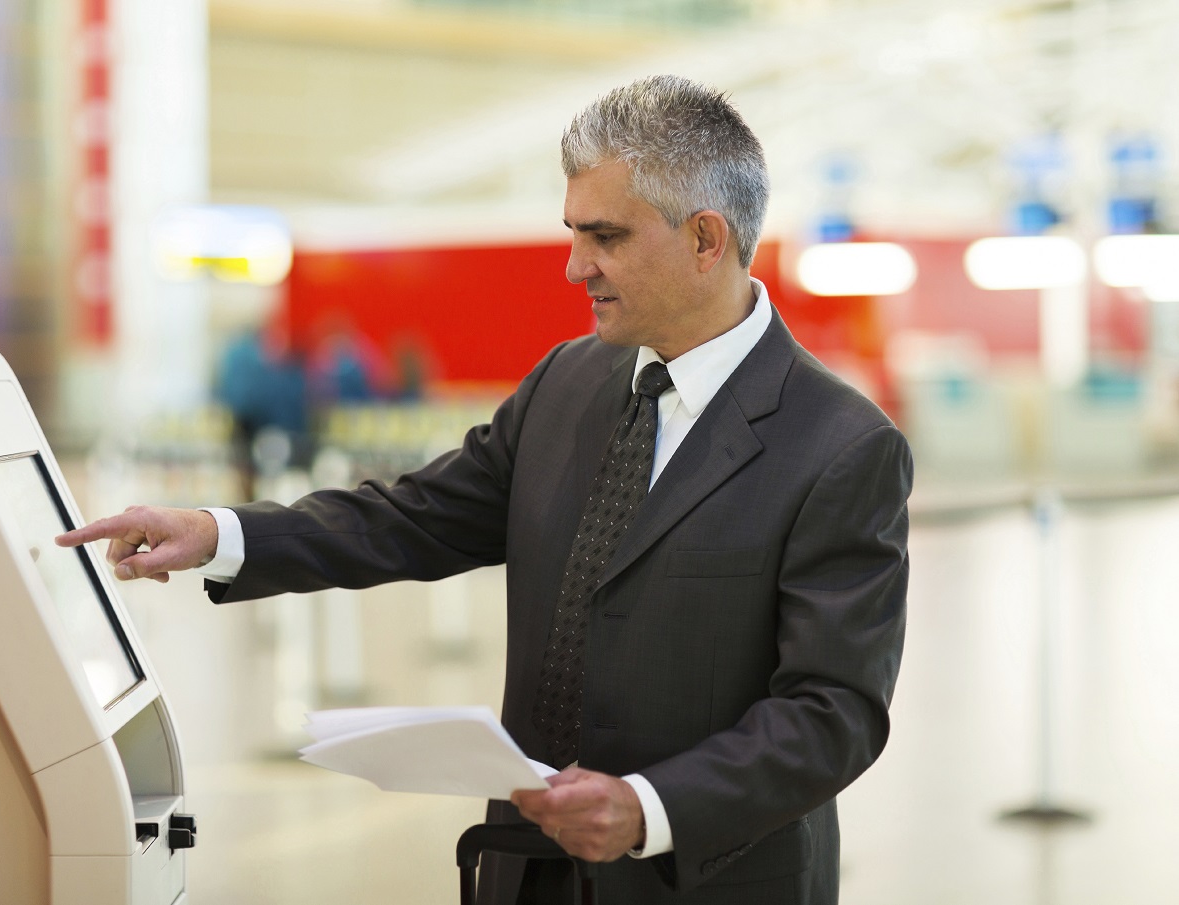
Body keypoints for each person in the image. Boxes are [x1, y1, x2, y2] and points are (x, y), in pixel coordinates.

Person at [59, 74, 912, 905]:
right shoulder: (567, 383)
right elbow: (415, 516)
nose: (575, 266)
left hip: (700, 880)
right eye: (573, 232)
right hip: (527, 869)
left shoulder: (839, 446)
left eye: (606, 236)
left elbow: (832, 710)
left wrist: (650, 806)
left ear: (705, 240)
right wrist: (219, 533)